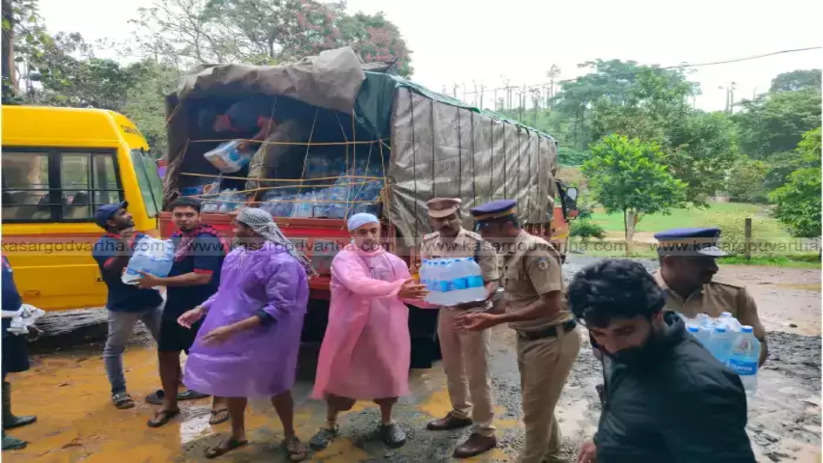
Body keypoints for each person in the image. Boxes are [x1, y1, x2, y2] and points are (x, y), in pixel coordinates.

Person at [567, 259, 756, 463]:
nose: (611, 347)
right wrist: (603, 442)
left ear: (656, 315)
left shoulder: (698, 388)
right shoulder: (631, 350)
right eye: (598, 333)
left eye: (625, 331)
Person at [178, 207, 310, 460]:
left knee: (277, 385)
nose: (233, 229)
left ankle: (290, 435)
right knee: (231, 383)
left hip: (269, 335)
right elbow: (227, 292)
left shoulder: (281, 262)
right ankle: (237, 434)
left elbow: (280, 307)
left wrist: (230, 330)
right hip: (233, 331)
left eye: (238, 225)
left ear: (253, 230)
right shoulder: (236, 255)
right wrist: (200, 309)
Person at [457, 199, 580, 463]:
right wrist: (485, 312)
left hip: (551, 339)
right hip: (532, 339)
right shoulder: (512, 251)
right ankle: (552, 456)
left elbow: (551, 303)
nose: (483, 236)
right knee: (540, 405)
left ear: (505, 225)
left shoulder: (535, 251)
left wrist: (492, 321)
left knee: (535, 411)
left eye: (486, 229)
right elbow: (516, 299)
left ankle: (533, 458)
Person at [310, 213, 428, 450]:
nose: (370, 236)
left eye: (373, 230)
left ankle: (388, 422)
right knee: (339, 381)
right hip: (350, 333)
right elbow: (358, 284)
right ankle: (330, 424)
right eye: (362, 232)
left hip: (386, 333)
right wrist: (397, 289)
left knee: (387, 378)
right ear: (352, 234)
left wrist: (441, 297)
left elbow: (409, 291)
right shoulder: (344, 260)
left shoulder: (395, 262)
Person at [135, 198, 228, 427]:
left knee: (208, 358)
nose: (183, 219)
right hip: (175, 307)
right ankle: (170, 403)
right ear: (172, 217)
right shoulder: (176, 239)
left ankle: (220, 403)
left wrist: (158, 280)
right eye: (178, 215)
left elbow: (202, 276)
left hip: (202, 309)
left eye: (189, 214)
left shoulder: (206, 240)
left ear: (199, 216)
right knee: (166, 354)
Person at [420, 198, 500, 458]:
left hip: (474, 313)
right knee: (452, 367)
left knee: (478, 373)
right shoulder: (428, 242)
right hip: (446, 312)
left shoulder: (479, 244)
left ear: (459, 216)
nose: (444, 223)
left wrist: (480, 299)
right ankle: (460, 412)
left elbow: (492, 281)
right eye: (438, 219)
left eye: (449, 218)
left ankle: (486, 432)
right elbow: (426, 273)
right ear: (431, 220)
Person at [654, 227, 768, 365]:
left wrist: (737, 375)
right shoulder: (639, 297)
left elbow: (758, 342)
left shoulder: (733, 295)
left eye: (713, 260)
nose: (714, 268)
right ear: (670, 262)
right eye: (701, 261)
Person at [91, 201, 164, 410]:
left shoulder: (142, 237)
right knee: (114, 349)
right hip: (123, 306)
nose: (130, 215)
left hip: (152, 301)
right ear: (111, 222)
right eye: (123, 213)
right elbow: (113, 269)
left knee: (167, 344)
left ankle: (175, 383)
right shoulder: (103, 245)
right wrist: (124, 246)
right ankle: (119, 391)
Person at [197, 96, 312, 197]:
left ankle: (253, 194)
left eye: (216, 125)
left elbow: (270, 126)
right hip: (275, 129)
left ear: (219, 117)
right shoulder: (231, 128)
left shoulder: (238, 113)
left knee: (262, 155)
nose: (217, 129)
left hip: (289, 122)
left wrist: (250, 142)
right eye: (214, 129)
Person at [2, 256, 36, 451]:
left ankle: (5, 417)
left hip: (8, 324)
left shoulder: (2, 257)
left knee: (3, 371)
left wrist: (21, 311)